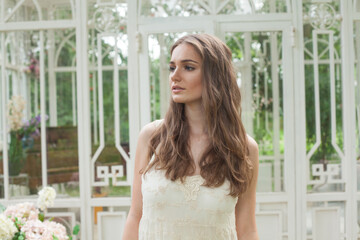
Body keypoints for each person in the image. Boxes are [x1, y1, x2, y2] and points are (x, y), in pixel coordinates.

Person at [122, 33, 259, 240]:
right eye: (172, 67)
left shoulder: (244, 148)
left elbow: (247, 227)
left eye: (188, 67)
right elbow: (135, 215)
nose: (175, 76)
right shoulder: (152, 137)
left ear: (215, 75)